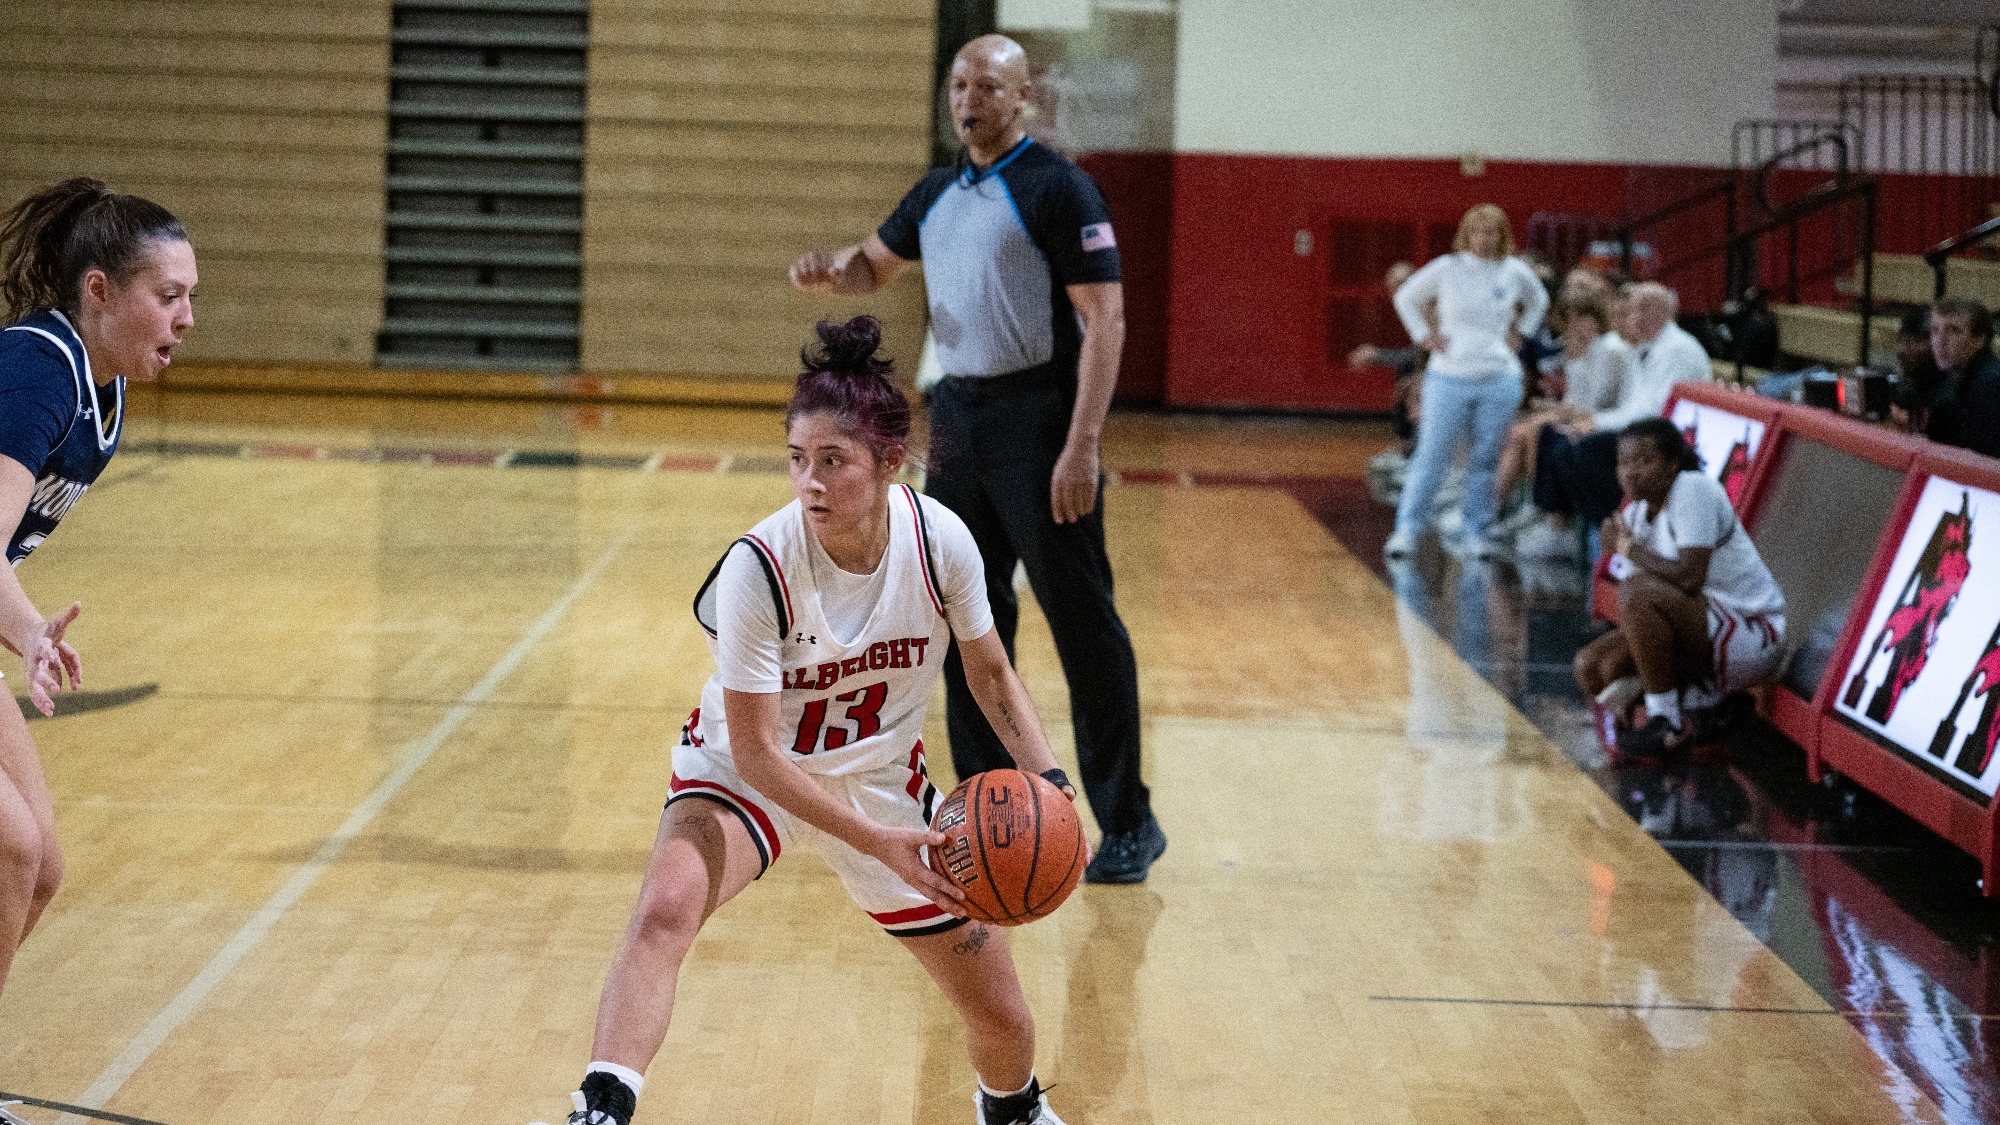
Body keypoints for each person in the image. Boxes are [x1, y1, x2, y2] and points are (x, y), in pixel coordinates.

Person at [546, 318, 1080, 1125]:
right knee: (665, 906)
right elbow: (759, 756)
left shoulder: (941, 544)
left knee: (1002, 1014)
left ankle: (1012, 1108)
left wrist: (1051, 784)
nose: (811, 483)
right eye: (798, 460)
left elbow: (992, 673)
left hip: (874, 782)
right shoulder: (758, 567)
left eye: (833, 461)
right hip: (746, 773)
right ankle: (599, 1109)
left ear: (889, 463)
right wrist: (880, 844)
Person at [787, 34, 1164, 883]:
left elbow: (1105, 321)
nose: (968, 99)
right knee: (966, 618)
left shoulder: (1058, 189)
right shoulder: (936, 193)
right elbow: (870, 268)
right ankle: (988, 814)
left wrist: (1084, 442)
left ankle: (1129, 820)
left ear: (1022, 96)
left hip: (1042, 417)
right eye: (959, 85)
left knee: (1082, 619)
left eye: (987, 86)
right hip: (960, 417)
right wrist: (830, 271)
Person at [0, 178, 196, 1003]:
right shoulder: (39, 372)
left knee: (39, 866)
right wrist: (28, 630)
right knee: (10, 846)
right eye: (169, 295)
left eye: (192, 296)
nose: (187, 318)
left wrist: (26, 628)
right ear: (99, 292)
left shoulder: (102, 392)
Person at [1573, 418, 1786, 759]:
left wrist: (1626, 550)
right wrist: (1623, 689)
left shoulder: (1693, 488)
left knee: (1638, 593)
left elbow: (1689, 577)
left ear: (1672, 463)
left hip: (1752, 631)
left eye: (1644, 462)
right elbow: (1640, 617)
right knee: (1592, 666)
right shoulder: (1637, 514)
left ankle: (1668, 719)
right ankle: (1706, 704)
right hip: (1705, 630)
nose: (1631, 472)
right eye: (1623, 463)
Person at [1383, 204, 1548, 559]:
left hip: (1499, 376)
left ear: (1502, 234)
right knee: (1432, 453)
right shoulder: (1447, 267)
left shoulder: (1514, 270)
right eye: (1479, 230)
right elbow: (1405, 297)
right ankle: (1407, 529)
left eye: (1492, 231)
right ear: (1467, 233)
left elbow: (1540, 300)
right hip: (1448, 375)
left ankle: (1477, 530)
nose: (1485, 238)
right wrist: (1424, 336)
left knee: (1486, 457)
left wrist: (1521, 332)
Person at [1527, 282, 1712, 533]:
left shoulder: (1678, 349)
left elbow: (1656, 414)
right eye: (1628, 311)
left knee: (1585, 451)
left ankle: (1614, 529)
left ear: (1656, 312)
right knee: (1562, 443)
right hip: (1644, 430)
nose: (1628, 318)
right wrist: (1593, 422)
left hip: (1670, 441)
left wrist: (1595, 423)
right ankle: (1577, 527)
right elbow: (1631, 406)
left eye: (1634, 310)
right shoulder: (1645, 348)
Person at [1495, 296, 1633, 558]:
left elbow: (1596, 403)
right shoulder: (1588, 350)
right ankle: (1541, 514)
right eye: (1570, 321)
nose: (1576, 327)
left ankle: (1558, 523)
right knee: (1541, 430)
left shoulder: (1609, 348)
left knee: (1551, 436)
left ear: (1597, 319)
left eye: (1582, 319)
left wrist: (1563, 411)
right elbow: (1577, 402)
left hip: (1611, 424)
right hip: (1596, 419)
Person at [1920, 297, 2000, 460]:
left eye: (1953, 331)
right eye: (1935, 330)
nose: (1940, 342)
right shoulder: (1948, 378)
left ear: (1979, 339)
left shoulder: (1993, 385)